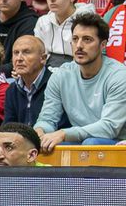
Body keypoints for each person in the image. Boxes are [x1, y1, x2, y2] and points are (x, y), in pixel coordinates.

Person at [34, 12, 126, 148]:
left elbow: (109, 127)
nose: (79, 46)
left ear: (103, 45)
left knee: (91, 144)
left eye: (87, 39)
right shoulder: (61, 75)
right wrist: (40, 131)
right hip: (81, 140)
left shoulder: (119, 76)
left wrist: (63, 134)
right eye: (75, 39)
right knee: (48, 146)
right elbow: (48, 119)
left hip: (117, 143)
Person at [2, 34, 50, 126]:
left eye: (26, 52)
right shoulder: (12, 90)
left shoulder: (55, 84)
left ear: (43, 58)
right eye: (16, 53)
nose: (19, 58)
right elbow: (8, 125)